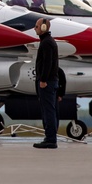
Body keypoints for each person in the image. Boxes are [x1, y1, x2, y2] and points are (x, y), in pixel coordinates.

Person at [33, 18, 60, 149]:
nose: (35, 28)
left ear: (44, 27)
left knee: (48, 111)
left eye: (37, 26)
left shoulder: (47, 43)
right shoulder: (48, 42)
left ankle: (50, 139)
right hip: (50, 81)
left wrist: (43, 79)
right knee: (49, 110)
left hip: (47, 82)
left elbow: (47, 63)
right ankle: (49, 138)